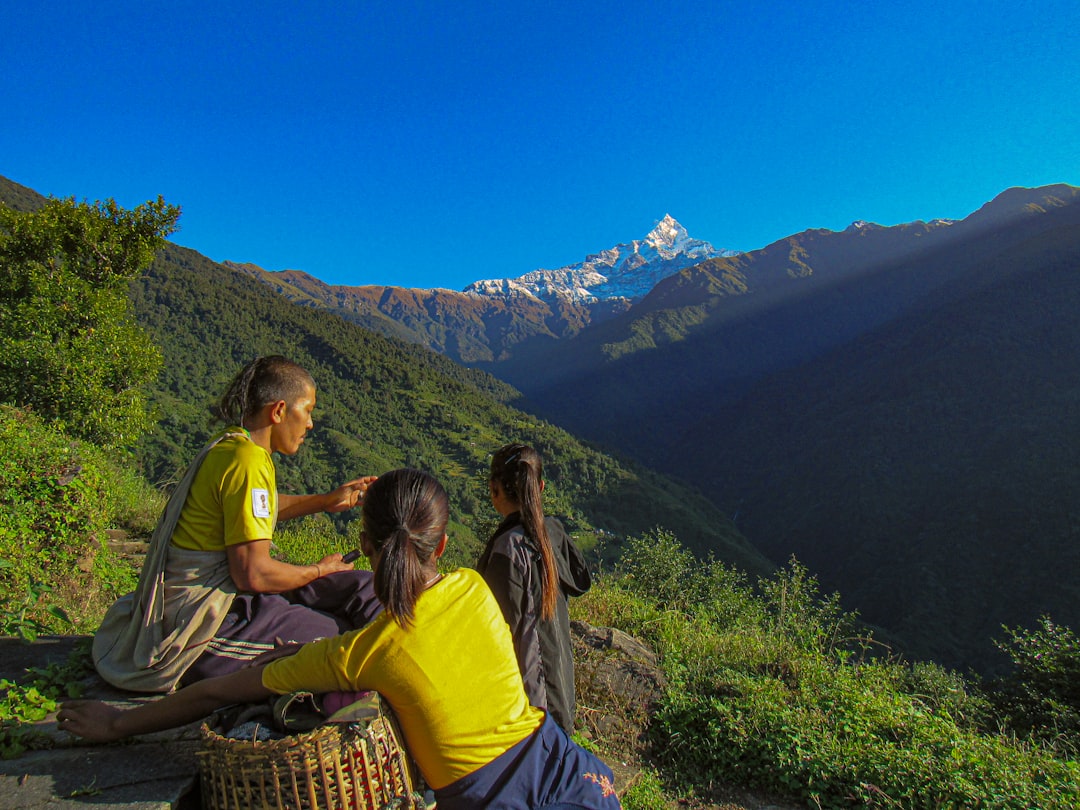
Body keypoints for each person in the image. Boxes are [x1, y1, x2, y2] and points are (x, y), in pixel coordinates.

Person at [60, 469, 622, 809]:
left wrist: (118, 724)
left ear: (366, 545)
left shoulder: (362, 654)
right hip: (567, 764)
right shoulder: (474, 588)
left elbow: (220, 691)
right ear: (442, 546)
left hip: (492, 797)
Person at [92, 356, 383, 692]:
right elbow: (254, 574)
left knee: (363, 587)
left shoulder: (234, 445)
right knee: (340, 638)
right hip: (199, 622)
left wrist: (326, 501)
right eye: (307, 411)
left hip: (221, 596)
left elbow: (253, 507)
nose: (310, 424)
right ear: (279, 411)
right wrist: (319, 570)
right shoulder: (249, 462)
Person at [478, 443, 592, 733]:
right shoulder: (552, 533)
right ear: (540, 487)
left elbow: (496, 634)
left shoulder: (507, 550)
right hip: (561, 692)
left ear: (494, 490)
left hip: (531, 708)